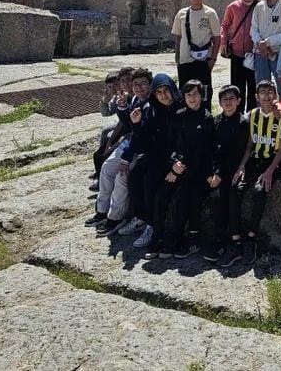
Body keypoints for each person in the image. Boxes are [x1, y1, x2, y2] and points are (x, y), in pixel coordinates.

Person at [217, 80, 281, 267]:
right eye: (262, 92)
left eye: (270, 92)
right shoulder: (251, 115)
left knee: (259, 191)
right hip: (253, 161)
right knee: (235, 188)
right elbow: (250, 145)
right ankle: (235, 240)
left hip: (272, 162)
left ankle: (251, 238)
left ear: (275, 95)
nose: (266, 96)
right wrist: (241, 166)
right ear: (256, 97)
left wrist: (269, 172)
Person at [144, 80, 217, 259]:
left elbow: (202, 152)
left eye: (195, 94)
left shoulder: (207, 118)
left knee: (186, 196)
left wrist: (179, 170)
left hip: (198, 171)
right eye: (188, 94)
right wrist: (173, 163)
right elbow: (172, 145)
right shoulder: (179, 115)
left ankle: (185, 239)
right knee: (161, 195)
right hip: (179, 168)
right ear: (183, 97)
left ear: (202, 96)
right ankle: (159, 237)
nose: (192, 98)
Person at [120, 73, 180, 254]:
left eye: (166, 91)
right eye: (159, 92)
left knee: (150, 182)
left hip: (173, 160)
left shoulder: (181, 110)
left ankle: (152, 226)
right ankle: (141, 218)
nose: (163, 95)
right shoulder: (152, 109)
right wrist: (137, 124)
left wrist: (173, 162)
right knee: (135, 175)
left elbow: (183, 142)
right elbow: (144, 138)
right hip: (155, 156)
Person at [91, 69, 153, 235]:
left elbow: (139, 134)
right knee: (106, 168)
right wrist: (122, 107)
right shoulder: (133, 99)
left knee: (121, 176)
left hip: (140, 149)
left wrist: (125, 156)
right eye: (135, 84)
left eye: (142, 84)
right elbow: (130, 126)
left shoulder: (151, 104)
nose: (137, 87)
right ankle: (102, 211)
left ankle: (115, 218)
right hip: (131, 144)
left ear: (150, 85)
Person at [205, 85, 250, 262]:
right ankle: (218, 238)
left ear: (239, 101)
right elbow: (210, 149)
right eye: (224, 99)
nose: (228, 102)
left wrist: (220, 174)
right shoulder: (216, 122)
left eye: (232, 98)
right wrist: (211, 173)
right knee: (215, 195)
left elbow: (236, 153)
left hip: (236, 168)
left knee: (231, 194)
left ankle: (234, 241)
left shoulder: (242, 123)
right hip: (218, 169)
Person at [172, 0, 221, 108]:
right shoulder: (181, 14)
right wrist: (177, 57)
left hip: (203, 62)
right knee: (185, 96)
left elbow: (217, 37)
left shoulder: (210, 13)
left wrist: (213, 59)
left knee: (203, 96)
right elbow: (178, 36)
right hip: (185, 61)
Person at [220, 0, 259, 112]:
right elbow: (225, 25)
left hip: (253, 54)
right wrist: (223, 42)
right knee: (237, 88)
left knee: (253, 87)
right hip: (236, 54)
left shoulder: (260, 7)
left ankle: (252, 115)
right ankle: (238, 116)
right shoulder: (233, 7)